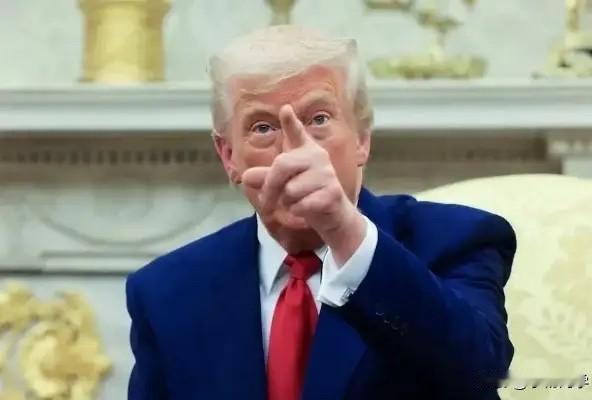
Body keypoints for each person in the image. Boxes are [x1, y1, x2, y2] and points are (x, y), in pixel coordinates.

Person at [126, 25, 516, 400]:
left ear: (362, 139)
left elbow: (479, 373)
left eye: (318, 120)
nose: (295, 152)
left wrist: (343, 230)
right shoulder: (166, 292)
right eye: (263, 128)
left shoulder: (457, 239)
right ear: (229, 156)